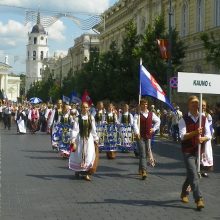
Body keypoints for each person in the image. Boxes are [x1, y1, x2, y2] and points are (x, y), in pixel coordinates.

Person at [178, 96, 211, 210]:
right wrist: (195, 133)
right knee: (194, 174)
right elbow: (182, 136)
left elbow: (209, 134)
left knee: (191, 174)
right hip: (187, 151)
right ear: (189, 105)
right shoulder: (183, 119)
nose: (195, 105)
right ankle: (199, 199)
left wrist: (204, 138)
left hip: (198, 151)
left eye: (197, 103)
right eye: (193, 103)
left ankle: (183, 193)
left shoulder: (203, 118)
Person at [69, 102, 99, 181]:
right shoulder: (77, 118)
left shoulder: (91, 118)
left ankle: (86, 174)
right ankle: (78, 171)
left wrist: (96, 139)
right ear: (81, 108)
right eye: (83, 107)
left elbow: (93, 129)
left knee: (88, 155)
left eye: (86, 107)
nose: (85, 109)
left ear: (88, 108)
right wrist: (73, 139)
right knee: (79, 155)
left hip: (89, 139)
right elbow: (75, 130)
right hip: (80, 139)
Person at [133, 98, 160, 180]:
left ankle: (140, 168)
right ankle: (144, 171)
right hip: (140, 136)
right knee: (143, 153)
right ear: (140, 105)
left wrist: (154, 129)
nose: (145, 106)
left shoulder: (151, 114)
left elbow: (158, 121)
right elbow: (134, 124)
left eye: (146, 104)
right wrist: (137, 132)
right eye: (143, 104)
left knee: (146, 152)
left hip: (148, 136)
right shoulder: (137, 114)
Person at [200, 99, 214, 177]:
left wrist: (209, 135)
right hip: (198, 136)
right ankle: (197, 170)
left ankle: (204, 171)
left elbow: (210, 127)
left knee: (206, 153)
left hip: (206, 137)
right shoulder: (197, 114)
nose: (203, 107)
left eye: (204, 105)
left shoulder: (208, 115)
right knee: (198, 153)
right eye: (201, 105)